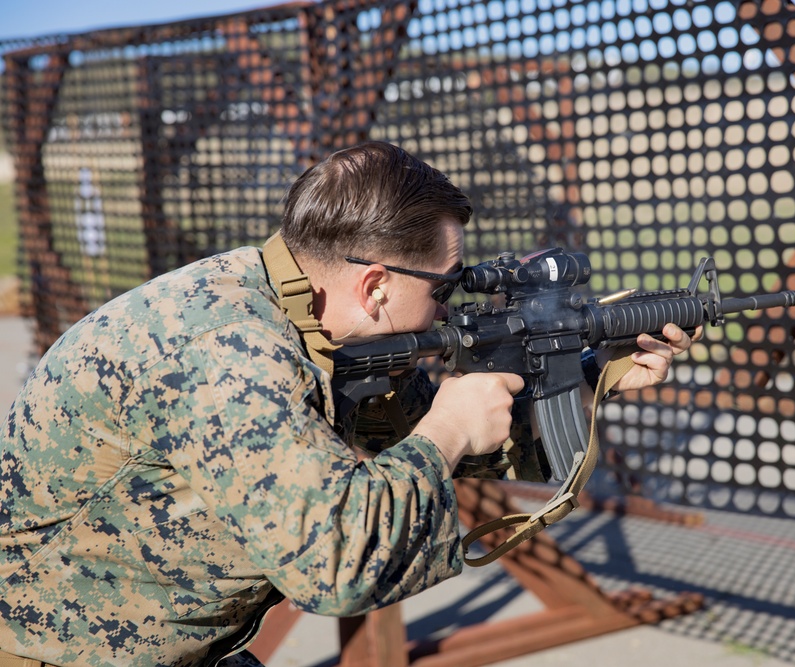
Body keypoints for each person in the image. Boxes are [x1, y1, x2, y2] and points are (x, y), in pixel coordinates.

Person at [0, 141, 696, 666]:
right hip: (62, 649)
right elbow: (336, 563)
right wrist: (446, 432)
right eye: (448, 283)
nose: (457, 298)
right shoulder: (227, 350)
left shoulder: (305, 315)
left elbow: (423, 427)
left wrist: (587, 375)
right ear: (376, 286)